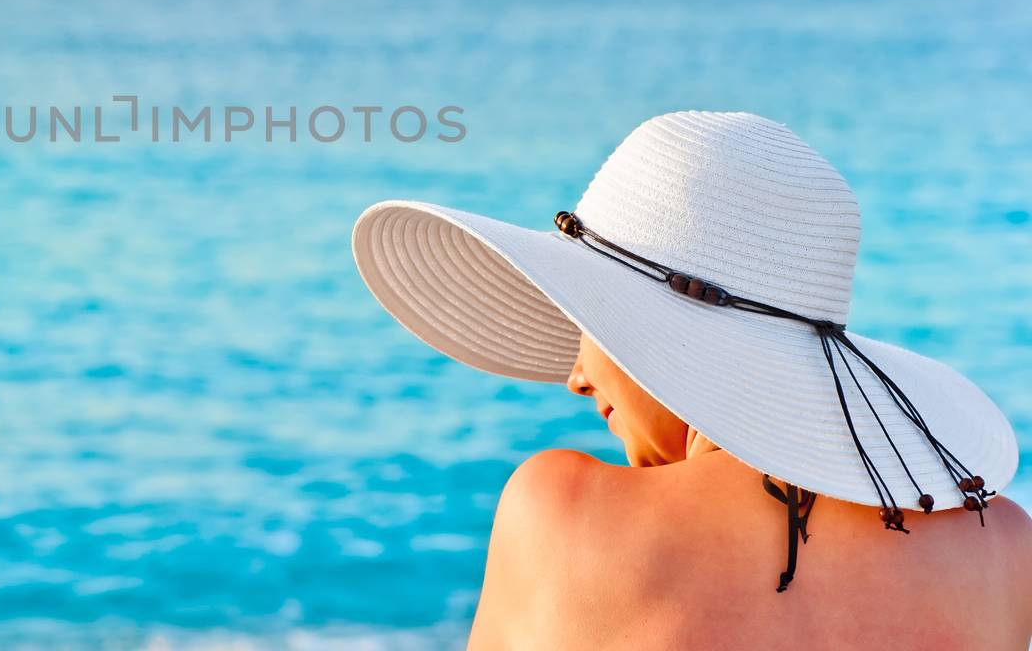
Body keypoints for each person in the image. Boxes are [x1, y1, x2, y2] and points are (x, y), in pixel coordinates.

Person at [350, 111, 1032, 650]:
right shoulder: (999, 545)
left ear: (665, 333)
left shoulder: (561, 511)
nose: (578, 378)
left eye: (592, 325)